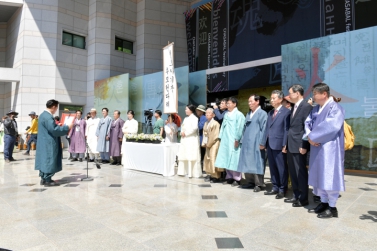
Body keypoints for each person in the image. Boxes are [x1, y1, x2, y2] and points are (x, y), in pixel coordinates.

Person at [305, 83, 345, 219]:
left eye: (315, 94)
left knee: (329, 175)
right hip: (316, 146)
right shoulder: (316, 109)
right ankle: (323, 201)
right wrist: (310, 137)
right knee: (319, 174)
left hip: (329, 148)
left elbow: (331, 126)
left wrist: (313, 136)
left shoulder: (335, 108)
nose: (313, 97)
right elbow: (307, 122)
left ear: (324, 94)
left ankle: (332, 207)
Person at [284, 84, 313, 207]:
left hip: (299, 145)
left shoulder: (306, 106)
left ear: (297, 93)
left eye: (290, 93)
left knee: (300, 172)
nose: (289, 95)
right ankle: (296, 195)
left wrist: (304, 144)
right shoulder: (294, 107)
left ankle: (303, 198)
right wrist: (286, 144)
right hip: (291, 144)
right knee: (293, 171)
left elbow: (307, 128)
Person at [35, 99, 74, 186]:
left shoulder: (42, 115)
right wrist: (67, 127)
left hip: (44, 141)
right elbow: (54, 130)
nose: (56, 110)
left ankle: (43, 178)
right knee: (49, 159)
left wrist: (57, 125)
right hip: (49, 142)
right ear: (53, 107)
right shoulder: (48, 117)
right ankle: (48, 180)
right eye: (56, 108)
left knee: (44, 159)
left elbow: (51, 127)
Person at [261, 90, 291, 198]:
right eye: (271, 98)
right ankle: (275, 187)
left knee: (281, 168)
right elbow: (267, 129)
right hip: (270, 144)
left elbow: (286, 130)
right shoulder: (270, 113)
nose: (271, 100)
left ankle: (283, 189)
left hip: (279, 144)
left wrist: (285, 144)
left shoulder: (286, 112)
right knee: (272, 167)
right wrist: (264, 142)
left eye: (274, 98)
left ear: (280, 99)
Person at [238, 95, 268, 191]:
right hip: (247, 142)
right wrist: (242, 140)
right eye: (248, 102)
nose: (249, 103)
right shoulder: (248, 113)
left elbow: (264, 129)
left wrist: (262, 142)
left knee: (257, 161)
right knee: (247, 161)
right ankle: (250, 181)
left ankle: (259, 184)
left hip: (257, 141)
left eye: (251, 101)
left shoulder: (262, 113)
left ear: (257, 101)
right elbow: (244, 128)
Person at [214, 97, 245, 187]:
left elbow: (240, 128)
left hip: (233, 140)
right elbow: (223, 126)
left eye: (229, 103)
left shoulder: (239, 115)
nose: (227, 105)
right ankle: (229, 177)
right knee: (226, 158)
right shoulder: (227, 114)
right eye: (227, 103)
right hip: (225, 139)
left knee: (234, 159)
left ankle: (237, 178)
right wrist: (220, 137)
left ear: (234, 104)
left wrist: (237, 139)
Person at [177, 104, 202, 178]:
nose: (185, 110)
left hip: (191, 139)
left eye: (186, 109)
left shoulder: (194, 118)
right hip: (185, 139)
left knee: (191, 155)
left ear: (191, 110)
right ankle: (183, 171)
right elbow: (183, 127)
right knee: (184, 154)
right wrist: (182, 132)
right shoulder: (185, 118)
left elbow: (194, 128)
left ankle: (191, 173)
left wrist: (186, 133)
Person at [202, 108, 222, 183]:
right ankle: (210, 173)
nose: (207, 114)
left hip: (214, 143)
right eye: (206, 113)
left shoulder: (215, 123)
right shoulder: (206, 123)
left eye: (209, 113)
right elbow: (205, 134)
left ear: (213, 114)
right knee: (208, 158)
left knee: (213, 158)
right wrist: (205, 143)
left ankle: (216, 176)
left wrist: (209, 143)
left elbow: (214, 135)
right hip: (208, 142)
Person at [196, 104, 207, 170]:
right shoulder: (200, 118)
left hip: (202, 138)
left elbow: (200, 127)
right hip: (200, 138)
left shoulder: (203, 118)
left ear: (202, 111)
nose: (197, 111)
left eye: (198, 110)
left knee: (203, 154)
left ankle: (203, 168)